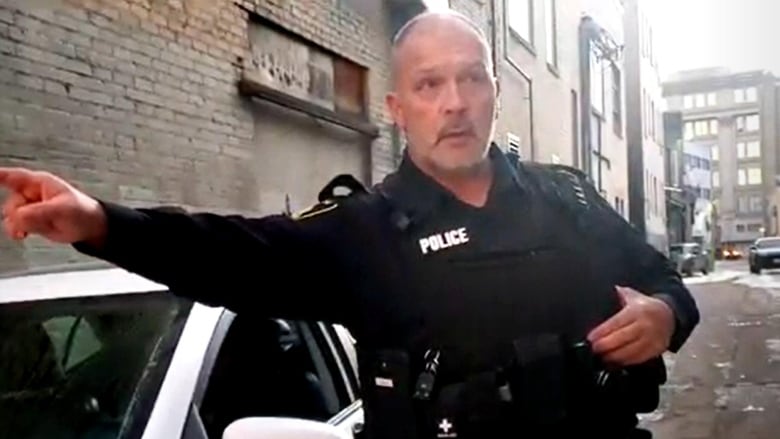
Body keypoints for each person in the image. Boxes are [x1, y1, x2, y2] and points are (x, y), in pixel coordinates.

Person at [0, 10, 698, 439]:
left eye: (471, 78)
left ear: (493, 92)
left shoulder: (568, 201)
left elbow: (666, 280)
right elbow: (227, 254)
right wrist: (99, 222)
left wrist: (666, 312)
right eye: (429, 86)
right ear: (397, 108)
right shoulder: (365, 234)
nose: (454, 103)